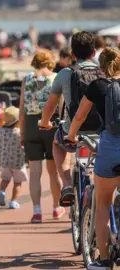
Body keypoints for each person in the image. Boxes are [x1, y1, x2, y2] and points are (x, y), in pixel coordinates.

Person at [65, 47, 120, 270]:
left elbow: (79, 116)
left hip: (110, 146)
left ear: (101, 66)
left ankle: (105, 259)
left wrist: (70, 136)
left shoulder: (98, 86)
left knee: (103, 204)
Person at [39, 31, 103, 207]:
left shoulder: (65, 73)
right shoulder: (103, 72)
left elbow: (50, 105)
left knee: (57, 143)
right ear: (93, 53)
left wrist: (44, 123)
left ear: (73, 54)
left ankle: (67, 183)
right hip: (100, 129)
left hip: (73, 130)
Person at [19, 50, 63, 223]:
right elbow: (60, 105)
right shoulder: (56, 78)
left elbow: (22, 109)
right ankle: (56, 207)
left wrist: (22, 133)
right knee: (54, 172)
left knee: (35, 172)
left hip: (31, 125)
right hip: (51, 125)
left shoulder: (27, 79)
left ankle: (36, 211)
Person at [0, 106, 27, 209]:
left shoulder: (1, 131)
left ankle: (2, 191)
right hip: (18, 163)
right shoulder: (19, 133)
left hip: (5, 162)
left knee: (5, 179)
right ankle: (13, 201)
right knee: (18, 183)